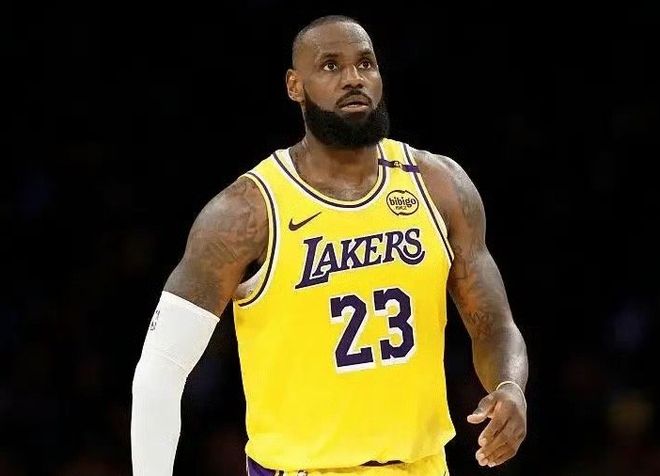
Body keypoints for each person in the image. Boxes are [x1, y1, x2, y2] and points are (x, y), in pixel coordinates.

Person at [131, 14, 528, 476]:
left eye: (365, 63)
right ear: (294, 86)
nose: (353, 78)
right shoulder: (247, 212)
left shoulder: (439, 186)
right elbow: (162, 368)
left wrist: (510, 386)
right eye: (330, 66)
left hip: (423, 465)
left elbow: (493, 325)